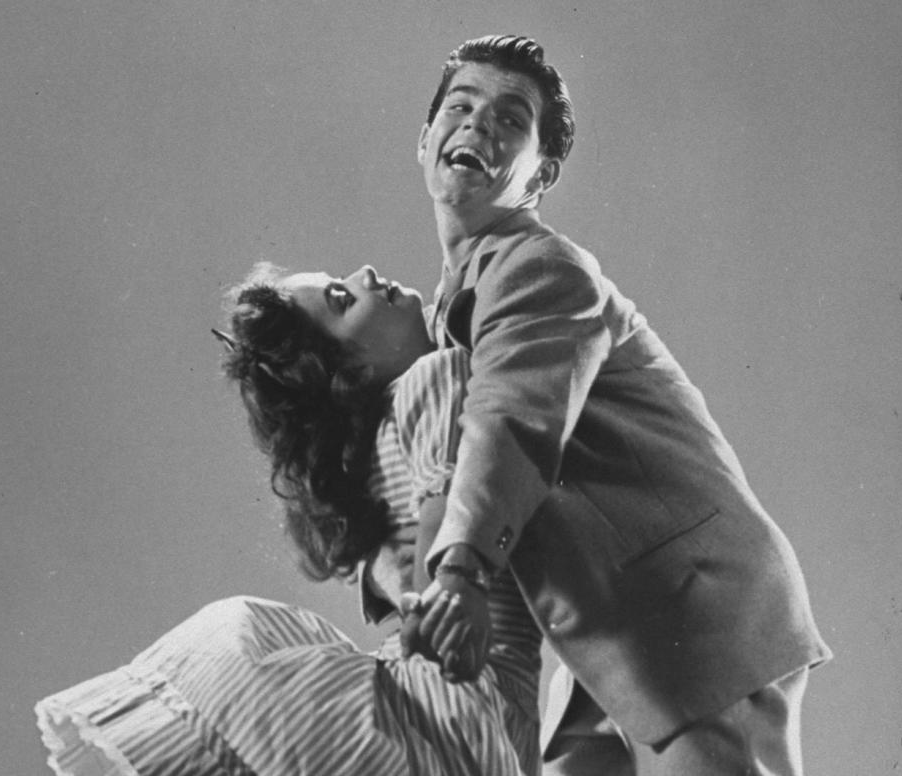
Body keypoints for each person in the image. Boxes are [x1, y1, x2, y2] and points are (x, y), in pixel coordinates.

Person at [402, 35, 833, 775]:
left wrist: (461, 572)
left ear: (542, 173)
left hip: (692, 615)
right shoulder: (456, 300)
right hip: (602, 639)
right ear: (426, 138)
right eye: (461, 106)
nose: (477, 127)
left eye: (510, 120)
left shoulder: (537, 267)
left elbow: (513, 419)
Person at [35, 262, 546, 776]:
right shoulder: (438, 376)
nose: (366, 273)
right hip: (458, 703)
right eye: (341, 300)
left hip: (468, 713)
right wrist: (442, 607)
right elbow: (448, 512)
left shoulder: (368, 470)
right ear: (348, 370)